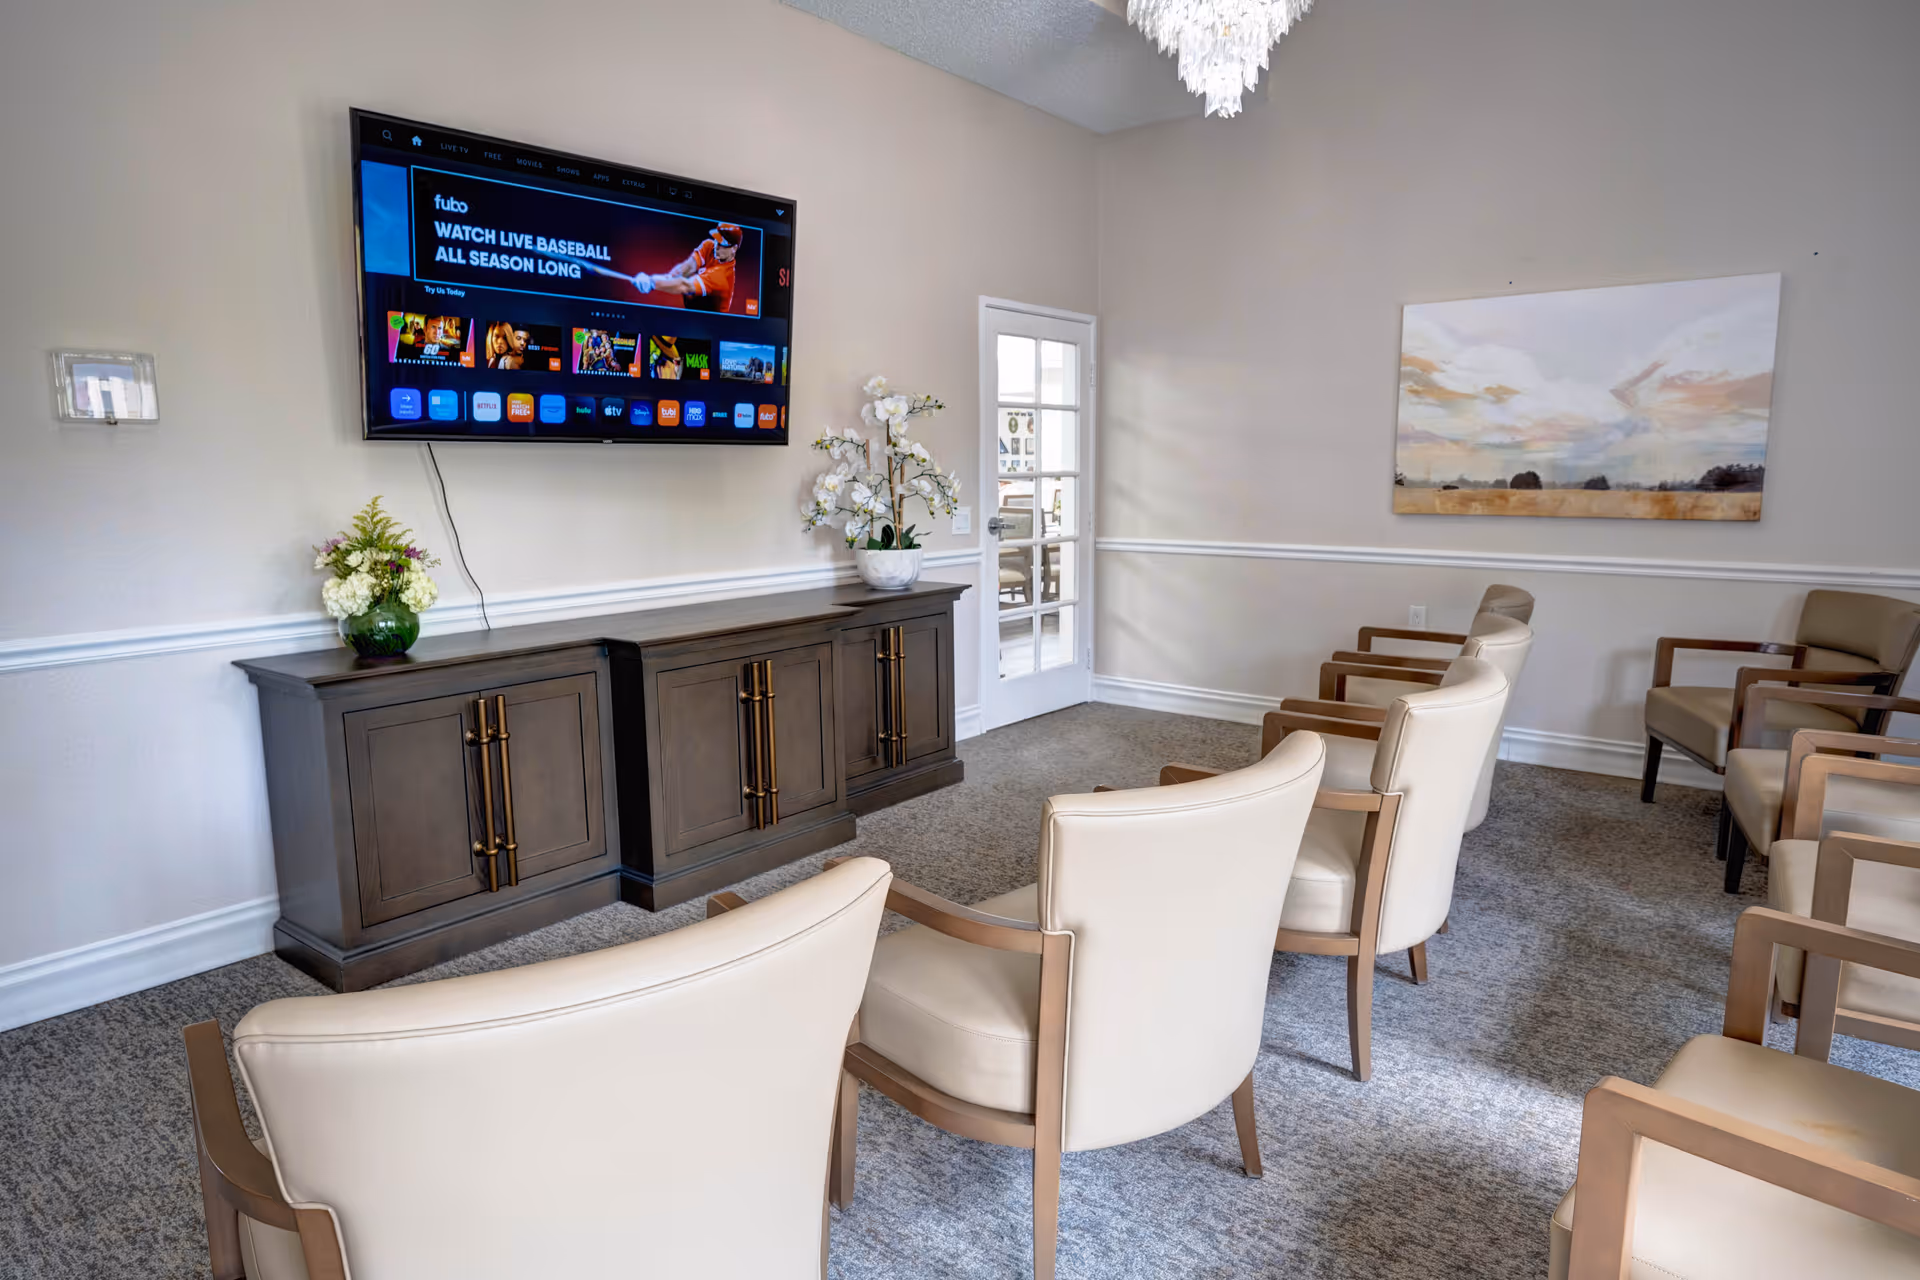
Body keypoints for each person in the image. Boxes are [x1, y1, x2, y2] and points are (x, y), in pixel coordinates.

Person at [631, 224, 742, 312]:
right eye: (716, 240)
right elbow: (688, 267)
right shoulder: (710, 246)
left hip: (709, 326)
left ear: (734, 249)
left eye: (722, 243)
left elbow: (685, 286)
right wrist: (666, 277)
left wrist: (652, 283)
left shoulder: (722, 277)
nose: (716, 246)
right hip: (692, 312)